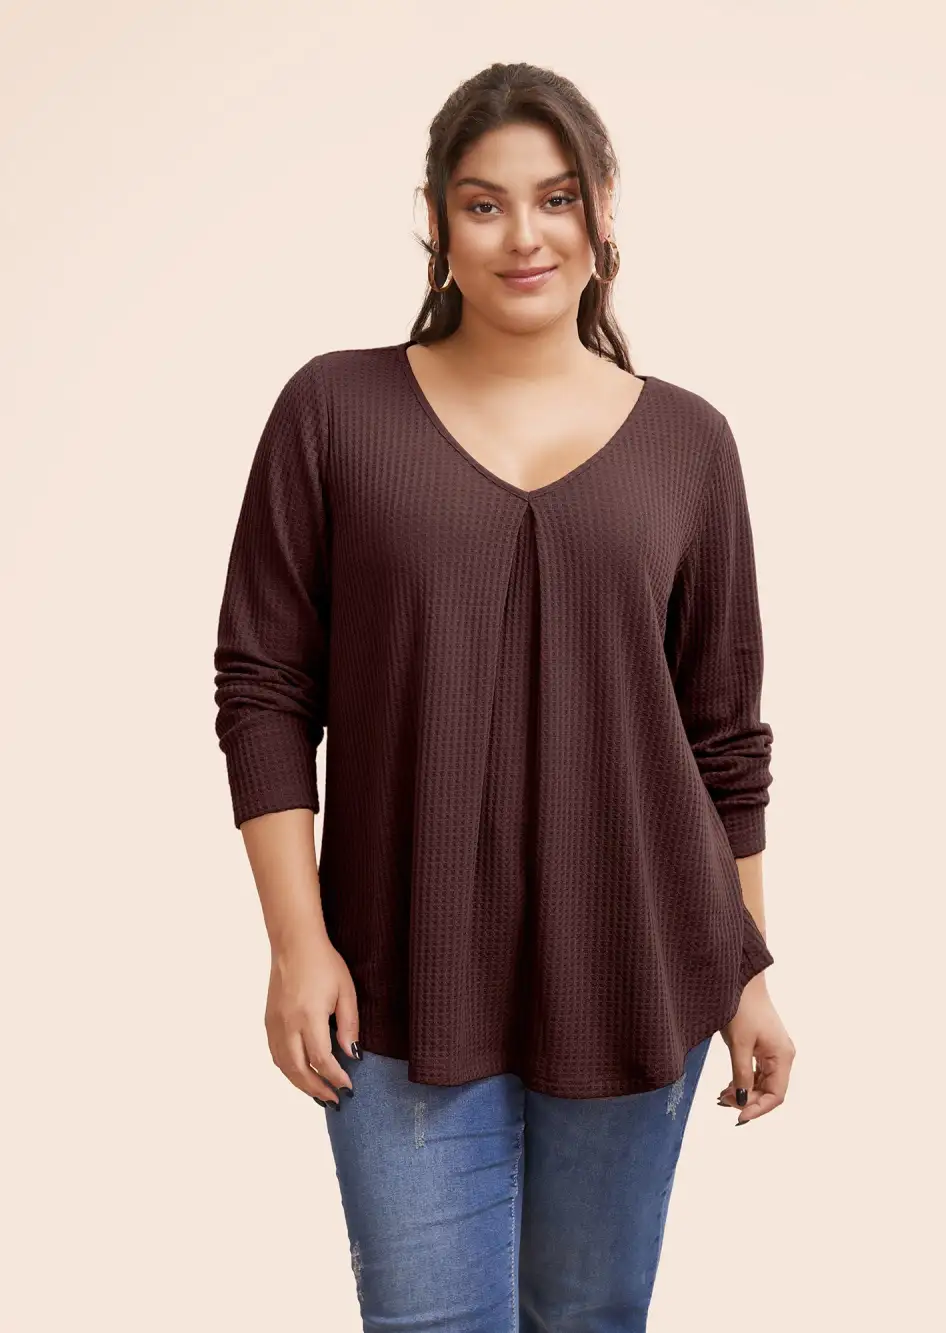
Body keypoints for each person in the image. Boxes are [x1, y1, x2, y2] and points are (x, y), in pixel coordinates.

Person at [213, 60, 795, 1330]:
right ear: (435, 222)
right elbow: (264, 687)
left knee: (590, 1321)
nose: (524, 234)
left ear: (601, 215)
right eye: (484, 204)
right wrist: (297, 942)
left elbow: (724, 739)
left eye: (556, 198)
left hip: (639, 968)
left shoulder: (690, 443)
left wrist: (744, 969)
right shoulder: (333, 410)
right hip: (400, 977)